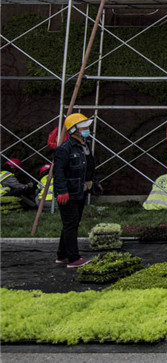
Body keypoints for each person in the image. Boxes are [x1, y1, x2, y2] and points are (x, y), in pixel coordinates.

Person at [52, 113, 98, 267]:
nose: (87, 129)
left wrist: (93, 182)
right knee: (71, 224)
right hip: (68, 193)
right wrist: (62, 190)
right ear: (74, 130)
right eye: (83, 127)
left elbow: (88, 166)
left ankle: (62, 254)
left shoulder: (85, 144)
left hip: (80, 190)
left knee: (72, 223)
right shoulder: (65, 149)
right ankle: (73, 258)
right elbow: (58, 171)